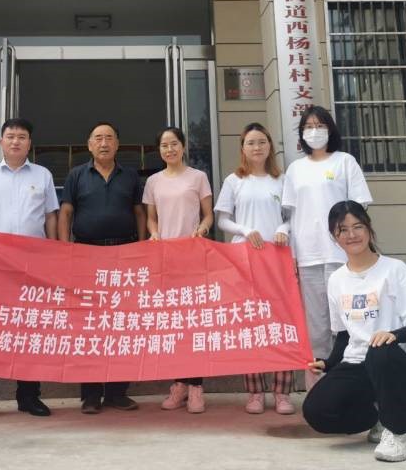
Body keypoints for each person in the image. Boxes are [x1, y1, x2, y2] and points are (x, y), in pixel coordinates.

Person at [302, 201, 406, 463]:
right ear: (334, 236)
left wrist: (395, 335)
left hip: (405, 371)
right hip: (360, 365)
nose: (351, 235)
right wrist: (329, 363)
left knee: (379, 350)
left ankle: (401, 433)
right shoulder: (337, 280)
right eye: (343, 230)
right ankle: (381, 417)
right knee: (316, 411)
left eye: (357, 227)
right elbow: (344, 334)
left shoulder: (395, 270)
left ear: (368, 228)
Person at [0, 118, 58, 423]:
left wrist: (53, 253)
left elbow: (50, 216)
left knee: (30, 329)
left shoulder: (42, 175)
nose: (16, 141)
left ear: (30, 143)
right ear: (1, 141)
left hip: (32, 265)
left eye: (22, 137)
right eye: (11, 136)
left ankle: (28, 396)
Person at [58, 121, 147, 414]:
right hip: (87, 254)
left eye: (109, 138)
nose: (104, 143)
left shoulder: (130, 175)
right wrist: (65, 249)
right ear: (89, 144)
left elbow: (139, 212)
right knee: (89, 326)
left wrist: (141, 247)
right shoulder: (76, 175)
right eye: (98, 138)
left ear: (118, 144)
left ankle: (117, 392)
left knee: (121, 325)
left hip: (124, 254)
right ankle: (91, 394)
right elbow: (66, 213)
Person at [281, 105, 372, 389]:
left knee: (348, 322)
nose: (315, 131)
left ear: (330, 129)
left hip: (342, 256)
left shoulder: (345, 162)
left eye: (320, 125)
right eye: (308, 127)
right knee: (316, 326)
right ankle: (318, 389)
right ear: (301, 133)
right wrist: (288, 245)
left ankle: (352, 384)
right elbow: (290, 215)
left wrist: (349, 236)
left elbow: (359, 206)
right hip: (308, 256)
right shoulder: (295, 169)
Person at [213, 122, 295, 415]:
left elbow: (292, 216)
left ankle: (282, 393)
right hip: (244, 259)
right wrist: (245, 230)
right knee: (250, 324)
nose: (257, 147)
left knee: (280, 323)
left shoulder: (282, 180)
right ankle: (255, 392)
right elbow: (222, 220)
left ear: (270, 146)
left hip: (277, 259)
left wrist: (284, 228)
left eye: (262, 141)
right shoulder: (234, 180)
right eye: (251, 142)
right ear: (243, 148)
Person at [143, 125, 214, 413]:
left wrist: (202, 229)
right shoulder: (153, 181)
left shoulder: (198, 177)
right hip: (166, 260)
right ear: (159, 150)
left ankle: (196, 387)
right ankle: (179, 385)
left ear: (183, 147)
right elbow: (151, 218)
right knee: (173, 324)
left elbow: (208, 215)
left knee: (194, 323)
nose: (169, 149)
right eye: (164, 145)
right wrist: (154, 233)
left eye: (174, 143)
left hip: (194, 258)